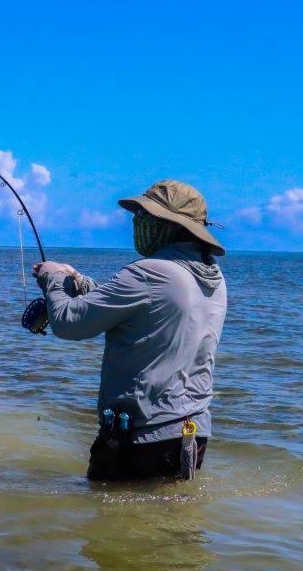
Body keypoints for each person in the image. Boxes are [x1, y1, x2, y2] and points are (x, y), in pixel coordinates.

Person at [33, 180, 227, 481]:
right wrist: (79, 281)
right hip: (192, 434)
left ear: (170, 225)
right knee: (174, 524)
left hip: (140, 439)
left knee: (111, 526)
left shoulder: (149, 272)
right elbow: (141, 311)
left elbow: (68, 323)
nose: (137, 222)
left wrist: (53, 280)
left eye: (145, 215)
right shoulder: (211, 277)